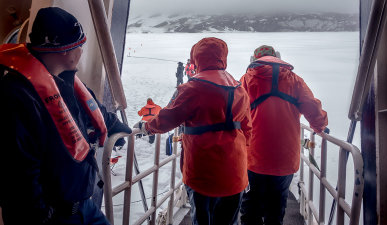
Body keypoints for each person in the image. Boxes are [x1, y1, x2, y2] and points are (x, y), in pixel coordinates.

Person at [0, 7, 131, 225]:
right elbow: (19, 175)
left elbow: (96, 111)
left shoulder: (67, 81)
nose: (82, 50)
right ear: (64, 51)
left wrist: (118, 126)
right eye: (79, 45)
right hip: (53, 216)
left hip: (85, 208)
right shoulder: (16, 96)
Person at [138, 37, 252, 225]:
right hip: (235, 174)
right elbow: (248, 130)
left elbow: (167, 119)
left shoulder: (192, 88)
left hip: (202, 173)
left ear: (197, 58)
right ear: (223, 58)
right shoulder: (239, 88)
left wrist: (146, 127)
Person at [239, 45, 328, 225]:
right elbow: (311, 107)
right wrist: (319, 126)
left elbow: (235, 112)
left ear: (253, 61)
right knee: (277, 204)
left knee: (252, 203)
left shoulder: (246, 80)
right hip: (285, 158)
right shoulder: (294, 80)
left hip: (254, 156)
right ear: (277, 57)